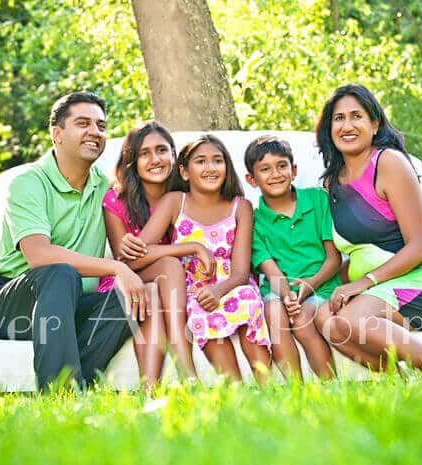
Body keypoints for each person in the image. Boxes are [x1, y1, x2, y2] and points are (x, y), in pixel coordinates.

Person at [0, 92, 150, 390]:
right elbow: (38, 255)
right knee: (60, 271)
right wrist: (115, 268)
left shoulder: (105, 188)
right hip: (15, 308)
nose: (94, 132)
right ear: (57, 133)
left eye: (101, 125)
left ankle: (76, 388)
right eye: (83, 123)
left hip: (73, 308)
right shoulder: (28, 183)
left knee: (131, 298)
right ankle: (61, 391)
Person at [314, 83, 422, 371]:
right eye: (339, 118)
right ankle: (399, 387)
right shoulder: (331, 183)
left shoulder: (388, 163)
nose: (347, 125)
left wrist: (363, 283)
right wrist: (334, 289)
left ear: (375, 124)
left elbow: (420, 246)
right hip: (374, 289)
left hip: (421, 279)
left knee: (352, 321)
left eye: (357, 116)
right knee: (324, 319)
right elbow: (354, 251)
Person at [120, 134, 271, 383]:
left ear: (227, 167)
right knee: (203, 313)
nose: (210, 168)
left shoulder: (240, 206)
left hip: (231, 285)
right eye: (201, 161)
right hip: (190, 289)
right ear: (185, 171)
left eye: (217, 161)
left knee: (247, 301)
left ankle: (265, 386)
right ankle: (235, 389)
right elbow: (137, 257)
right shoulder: (174, 202)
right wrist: (190, 247)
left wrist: (219, 290)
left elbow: (242, 272)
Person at [99, 121, 197, 383]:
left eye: (162, 150)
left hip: (174, 281)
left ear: (174, 156)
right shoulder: (116, 200)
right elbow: (128, 260)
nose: (155, 159)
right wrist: (187, 248)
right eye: (145, 153)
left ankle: (150, 390)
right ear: (132, 161)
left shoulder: (185, 194)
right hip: (128, 276)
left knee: (161, 277)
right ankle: (179, 379)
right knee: (167, 265)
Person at [244, 135, 340, 380]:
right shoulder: (254, 221)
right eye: (265, 169)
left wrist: (308, 287)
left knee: (301, 321)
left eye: (282, 166)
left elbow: (333, 259)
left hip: (322, 285)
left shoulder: (317, 200)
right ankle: (295, 390)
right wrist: (287, 295)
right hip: (279, 288)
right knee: (274, 312)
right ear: (252, 180)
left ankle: (332, 388)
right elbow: (270, 270)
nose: (275, 174)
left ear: (293, 170)